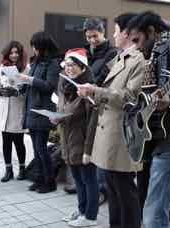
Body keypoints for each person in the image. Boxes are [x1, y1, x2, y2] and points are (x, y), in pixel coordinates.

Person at [77, 13, 145, 228]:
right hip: (109, 131)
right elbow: (109, 91)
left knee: (124, 190)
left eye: (115, 31)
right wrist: (92, 92)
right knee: (113, 188)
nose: (113, 35)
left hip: (122, 133)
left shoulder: (139, 60)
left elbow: (129, 98)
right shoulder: (120, 57)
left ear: (127, 33)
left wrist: (95, 91)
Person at [127, 11, 170, 228]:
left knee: (153, 215)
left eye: (137, 40)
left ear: (151, 31)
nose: (137, 46)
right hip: (161, 140)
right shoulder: (153, 55)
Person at [53, 48, 99, 227]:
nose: (69, 69)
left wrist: (89, 150)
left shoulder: (88, 88)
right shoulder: (65, 85)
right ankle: (81, 211)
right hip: (68, 140)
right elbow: (61, 109)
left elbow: (93, 122)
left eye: (73, 65)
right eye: (67, 65)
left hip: (83, 142)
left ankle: (91, 216)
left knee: (89, 180)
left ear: (83, 67)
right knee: (78, 181)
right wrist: (55, 117)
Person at [83, 17, 118, 204]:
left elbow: (105, 79)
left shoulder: (112, 53)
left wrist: (91, 85)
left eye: (95, 36)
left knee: (100, 148)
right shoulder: (87, 51)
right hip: (86, 103)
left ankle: (102, 190)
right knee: (89, 147)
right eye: (88, 37)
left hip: (102, 105)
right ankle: (93, 187)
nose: (91, 40)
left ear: (102, 32)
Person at [20, 31, 60, 193]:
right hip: (31, 108)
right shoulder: (35, 63)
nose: (34, 50)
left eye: (35, 47)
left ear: (43, 47)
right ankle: (39, 178)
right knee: (37, 150)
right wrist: (20, 83)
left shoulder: (52, 64)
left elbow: (50, 86)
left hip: (43, 111)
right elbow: (32, 85)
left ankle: (50, 182)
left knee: (41, 148)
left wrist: (30, 80)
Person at [0, 41, 28, 182]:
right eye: (11, 52)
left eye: (16, 52)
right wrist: (0, 91)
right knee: (6, 141)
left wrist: (17, 92)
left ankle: (22, 168)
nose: (14, 55)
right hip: (3, 108)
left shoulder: (26, 68)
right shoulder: (2, 67)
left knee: (18, 141)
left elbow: (28, 89)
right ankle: (8, 170)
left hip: (17, 109)